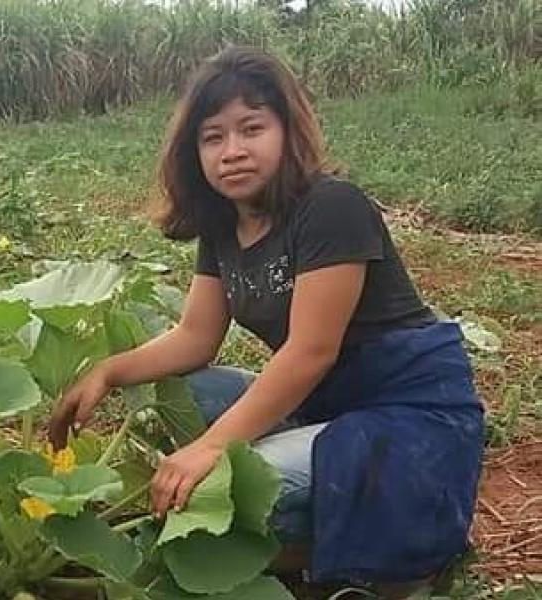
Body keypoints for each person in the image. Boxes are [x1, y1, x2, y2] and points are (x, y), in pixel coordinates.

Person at [48, 45, 484, 595]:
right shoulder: (223, 227)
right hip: (327, 405)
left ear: (287, 131)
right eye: (213, 137)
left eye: (251, 128)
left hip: (407, 419)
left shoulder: (332, 206)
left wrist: (210, 448)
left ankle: (397, 557)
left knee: (225, 491)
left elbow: (310, 353)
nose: (232, 151)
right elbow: (194, 338)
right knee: (190, 390)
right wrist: (108, 371)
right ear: (194, 152)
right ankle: (317, 533)